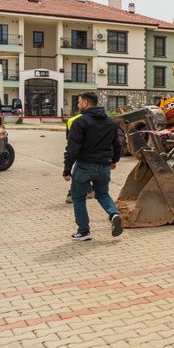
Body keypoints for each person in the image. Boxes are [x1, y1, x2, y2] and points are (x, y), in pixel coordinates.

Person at [63, 91, 123, 241]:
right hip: (104, 166)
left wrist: (67, 169)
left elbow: (73, 149)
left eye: (79, 102)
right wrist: (114, 160)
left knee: (78, 198)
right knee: (102, 194)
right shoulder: (110, 122)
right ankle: (114, 213)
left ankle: (84, 231)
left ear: (85, 103)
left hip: (84, 166)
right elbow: (117, 144)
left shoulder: (80, 122)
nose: (78, 105)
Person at [64, 111, 94, 204]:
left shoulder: (71, 120)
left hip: (77, 150)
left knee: (80, 172)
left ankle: (85, 191)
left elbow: (69, 140)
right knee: (79, 173)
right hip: (91, 151)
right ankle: (76, 193)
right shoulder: (94, 120)